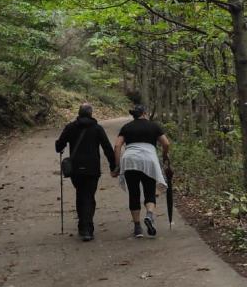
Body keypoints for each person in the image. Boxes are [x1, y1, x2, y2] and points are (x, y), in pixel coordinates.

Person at [55, 103, 115, 242]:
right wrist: (113, 165)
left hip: (75, 169)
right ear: (91, 113)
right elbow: (107, 148)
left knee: (81, 194)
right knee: (89, 196)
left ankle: (83, 226)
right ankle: (87, 228)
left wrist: (60, 145)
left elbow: (59, 146)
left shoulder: (70, 127)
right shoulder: (97, 128)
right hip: (92, 168)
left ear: (79, 113)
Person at [113, 103, 170, 238]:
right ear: (145, 113)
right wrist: (164, 156)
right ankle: (149, 215)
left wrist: (118, 165)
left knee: (134, 193)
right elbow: (166, 143)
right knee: (149, 191)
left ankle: (138, 228)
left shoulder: (126, 127)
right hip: (148, 161)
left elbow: (117, 146)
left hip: (130, 161)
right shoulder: (153, 126)